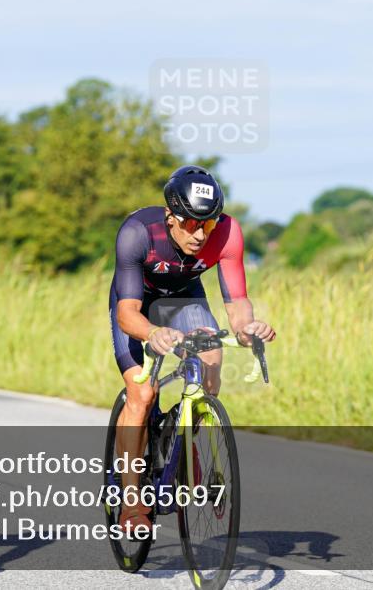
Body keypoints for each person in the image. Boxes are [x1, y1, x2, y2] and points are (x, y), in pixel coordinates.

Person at [109, 165, 276, 532]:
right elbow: (126, 314)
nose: (200, 235)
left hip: (185, 297)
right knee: (142, 392)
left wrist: (247, 329)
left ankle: (180, 439)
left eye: (208, 224)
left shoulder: (228, 233)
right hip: (138, 302)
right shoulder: (138, 232)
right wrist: (153, 332)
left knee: (211, 363)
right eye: (190, 224)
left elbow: (237, 302)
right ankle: (132, 501)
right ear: (170, 216)